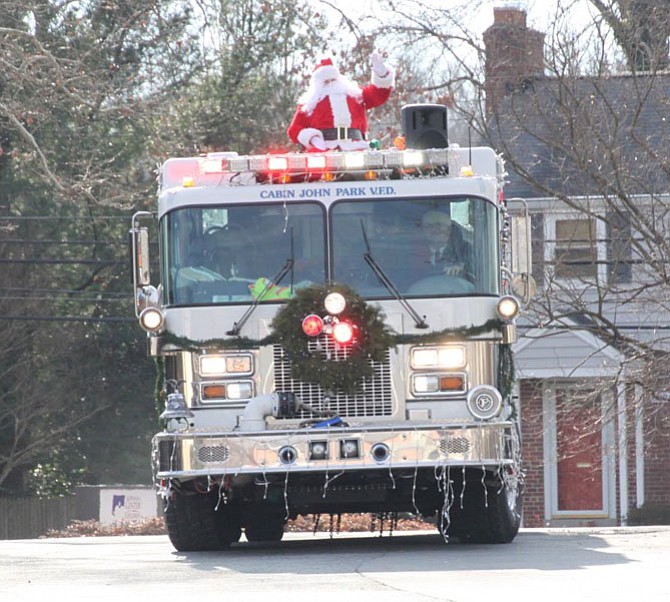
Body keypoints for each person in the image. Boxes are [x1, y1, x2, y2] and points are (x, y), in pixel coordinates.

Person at [287, 53, 394, 151]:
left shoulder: (354, 95)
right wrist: (312, 138)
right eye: (326, 82)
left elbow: (377, 95)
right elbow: (294, 129)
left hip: (355, 147)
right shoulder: (310, 104)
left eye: (332, 80)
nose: (330, 84)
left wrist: (382, 76)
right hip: (323, 150)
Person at [416, 210, 466, 277]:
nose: (436, 230)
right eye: (429, 226)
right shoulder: (412, 252)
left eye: (440, 225)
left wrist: (461, 268)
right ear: (422, 230)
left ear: (449, 229)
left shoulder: (465, 251)